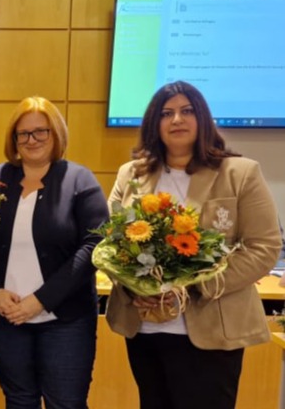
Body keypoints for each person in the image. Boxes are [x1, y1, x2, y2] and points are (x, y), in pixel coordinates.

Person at [105, 81, 282, 409]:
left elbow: (264, 247)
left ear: (202, 118)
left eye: (186, 111)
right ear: (154, 123)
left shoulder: (239, 173)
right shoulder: (131, 175)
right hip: (146, 328)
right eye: (166, 113)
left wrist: (192, 287)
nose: (177, 119)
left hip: (212, 331)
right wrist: (135, 287)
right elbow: (111, 244)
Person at [0, 96, 109, 409]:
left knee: (66, 403)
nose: (32, 140)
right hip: (5, 317)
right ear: (14, 139)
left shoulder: (80, 180)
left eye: (41, 131)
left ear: (56, 134)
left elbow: (94, 244)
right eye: (23, 133)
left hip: (66, 320)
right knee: (18, 400)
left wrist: (41, 300)